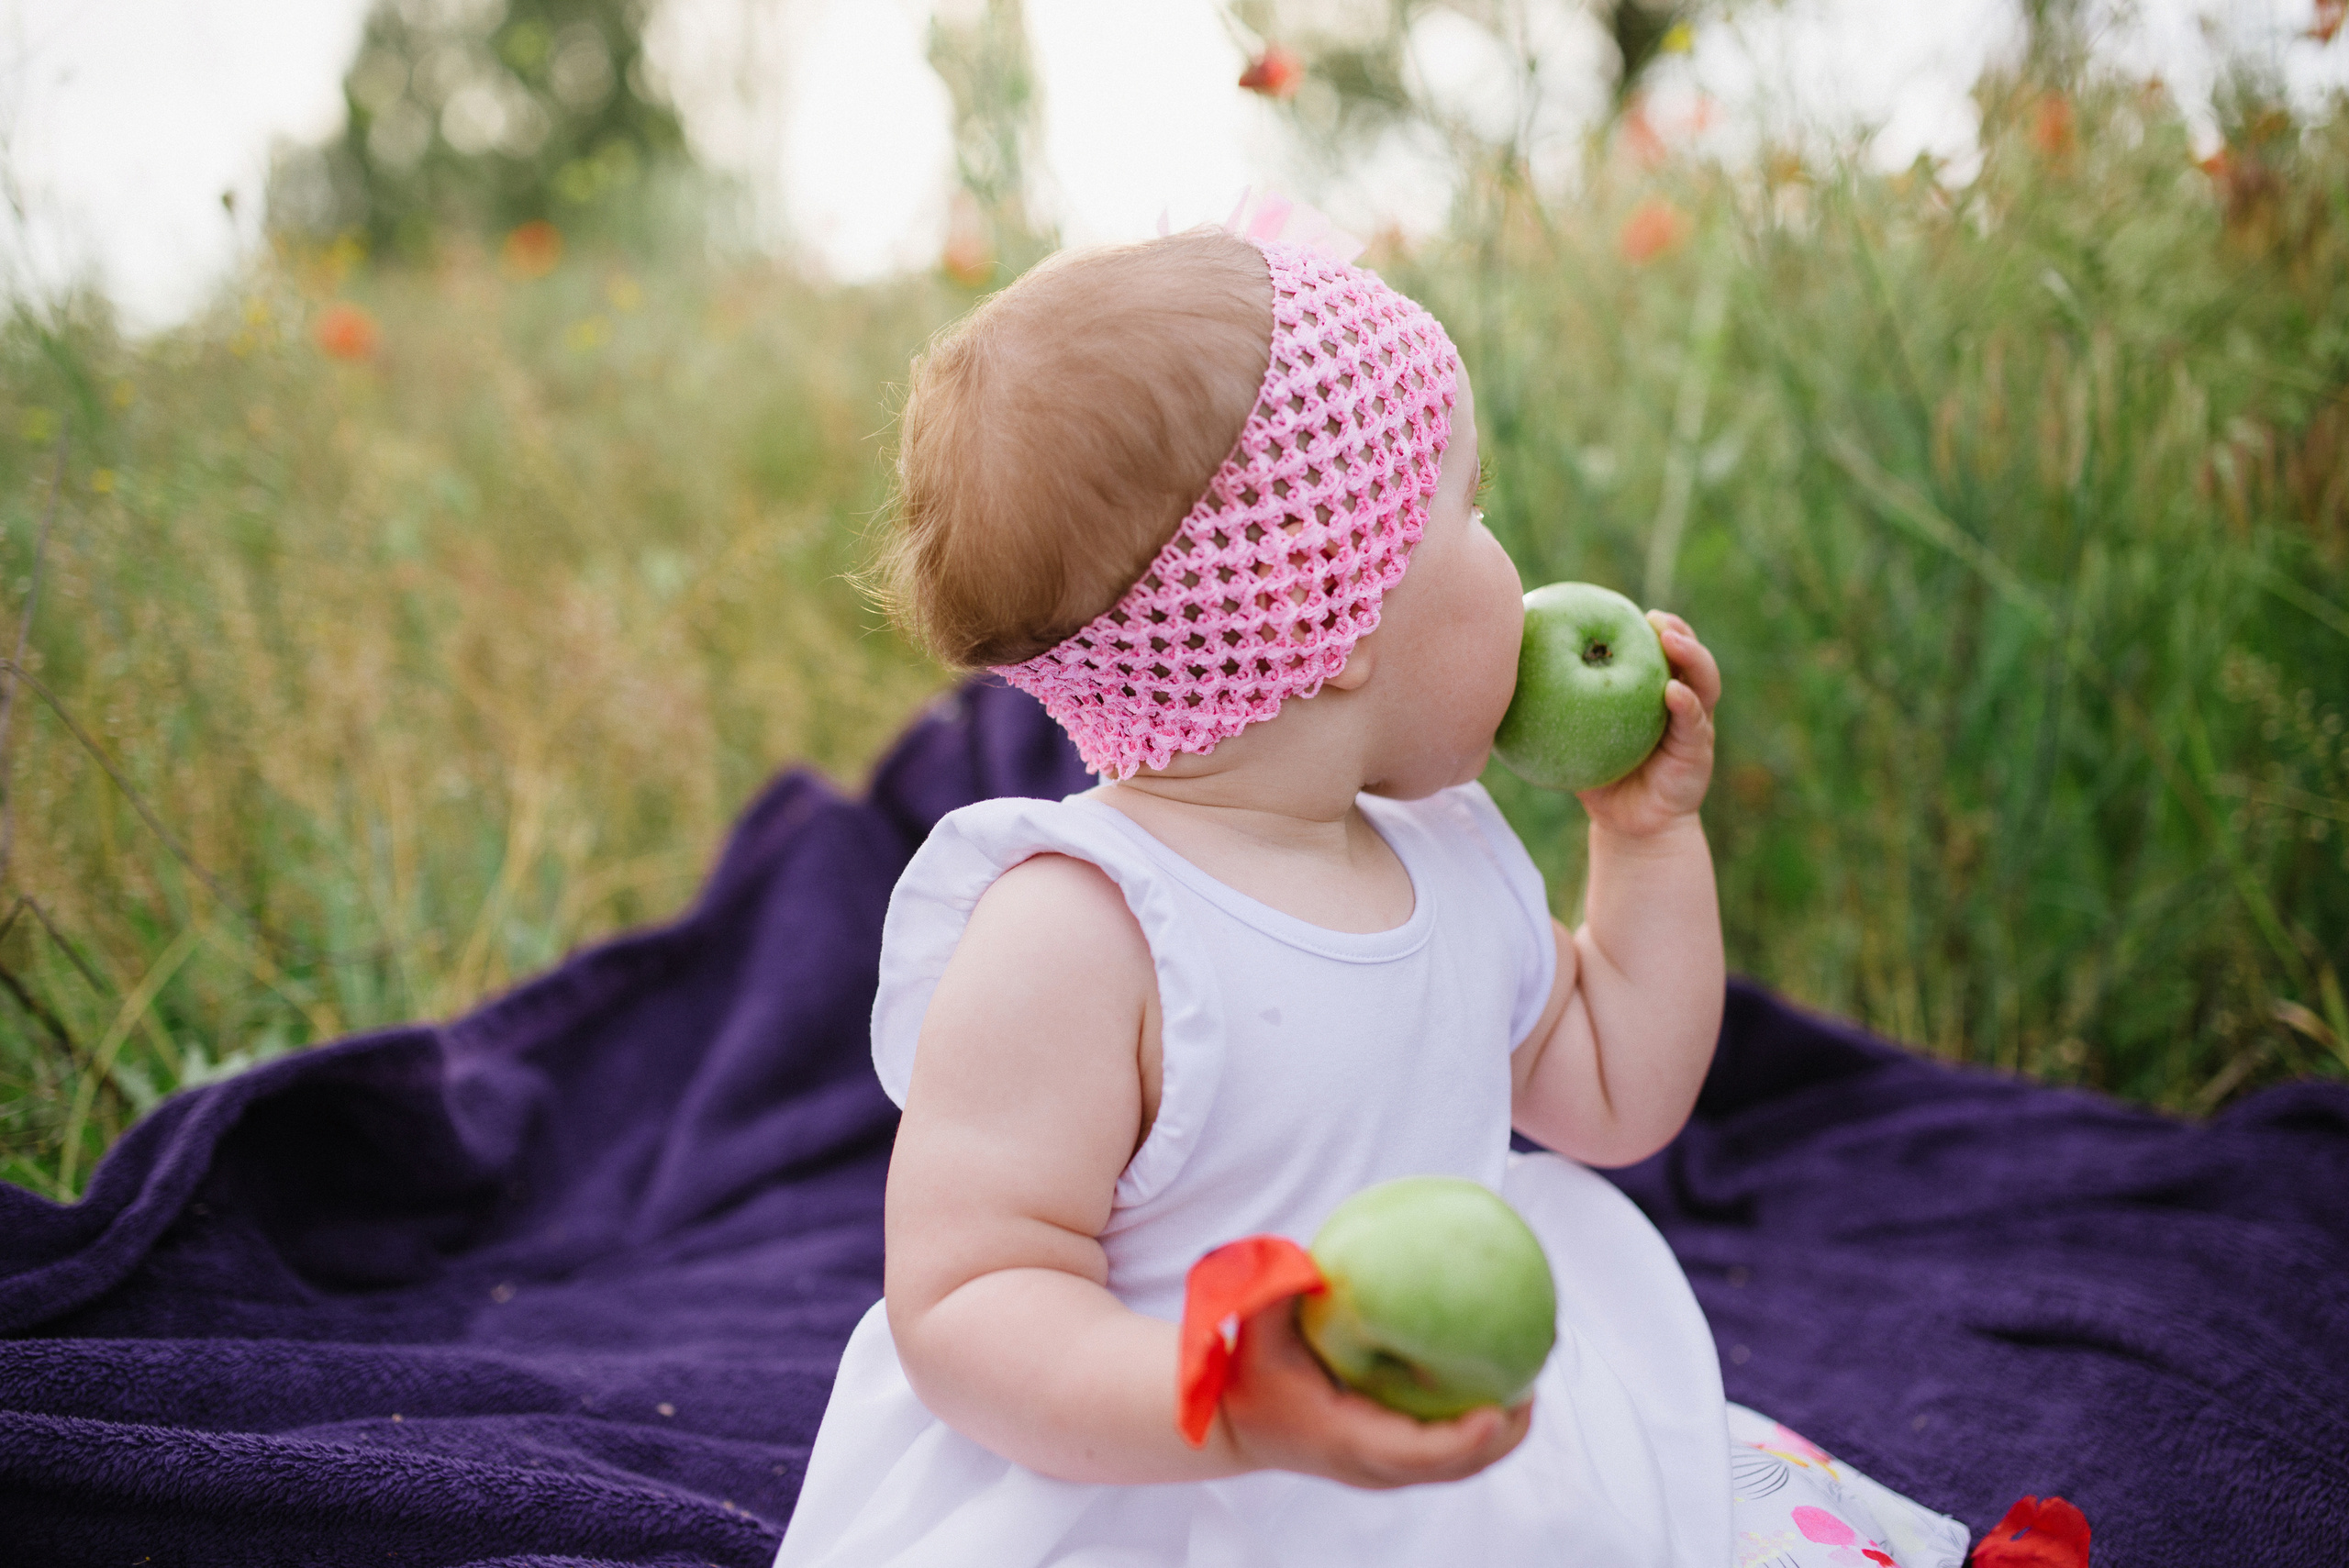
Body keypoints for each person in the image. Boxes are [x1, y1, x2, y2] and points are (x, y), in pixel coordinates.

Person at [774, 226, 1969, 1568]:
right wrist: (1229, 1408)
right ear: (1320, 601)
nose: (1511, 557)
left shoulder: (1441, 846)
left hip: (1451, 1444)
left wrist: (1644, 838)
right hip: (1159, 1482)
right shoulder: (1081, 931)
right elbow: (970, 1294)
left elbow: (1619, 1087)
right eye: (1469, 509)